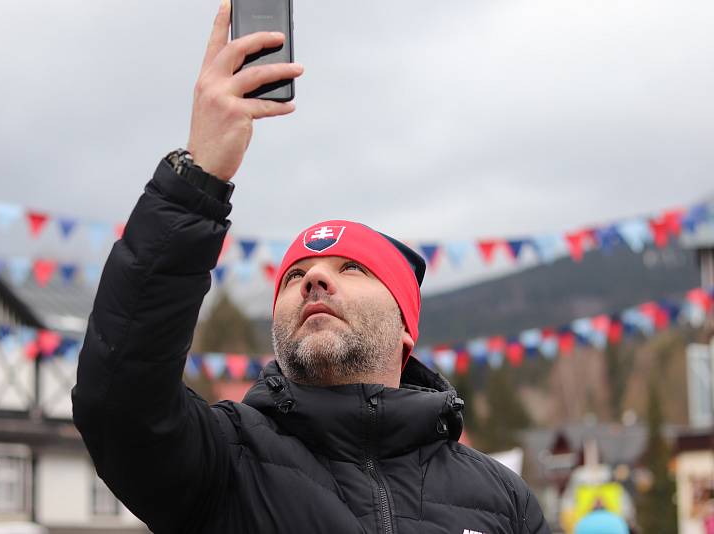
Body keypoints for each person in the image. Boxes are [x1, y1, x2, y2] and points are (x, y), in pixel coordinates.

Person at [71, 2, 549, 533]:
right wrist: (199, 176)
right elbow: (119, 402)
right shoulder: (225, 461)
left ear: (406, 331)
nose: (316, 280)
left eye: (353, 270)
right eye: (295, 276)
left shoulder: (503, 499)